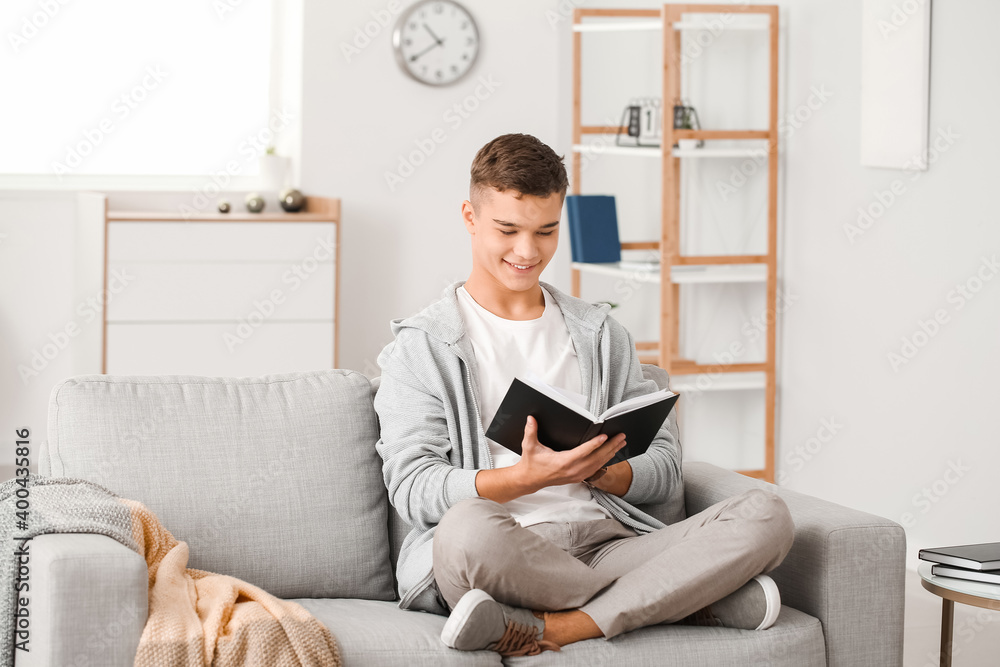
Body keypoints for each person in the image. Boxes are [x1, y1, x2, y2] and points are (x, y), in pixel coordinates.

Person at [373, 133, 795, 657]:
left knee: (767, 514)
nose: (527, 252)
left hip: (608, 545)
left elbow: (665, 464)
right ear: (470, 217)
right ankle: (676, 597)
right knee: (465, 531)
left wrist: (609, 473)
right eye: (508, 229)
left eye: (546, 231)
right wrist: (519, 480)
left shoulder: (597, 332)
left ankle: (559, 627)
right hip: (506, 551)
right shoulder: (423, 346)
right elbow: (413, 487)